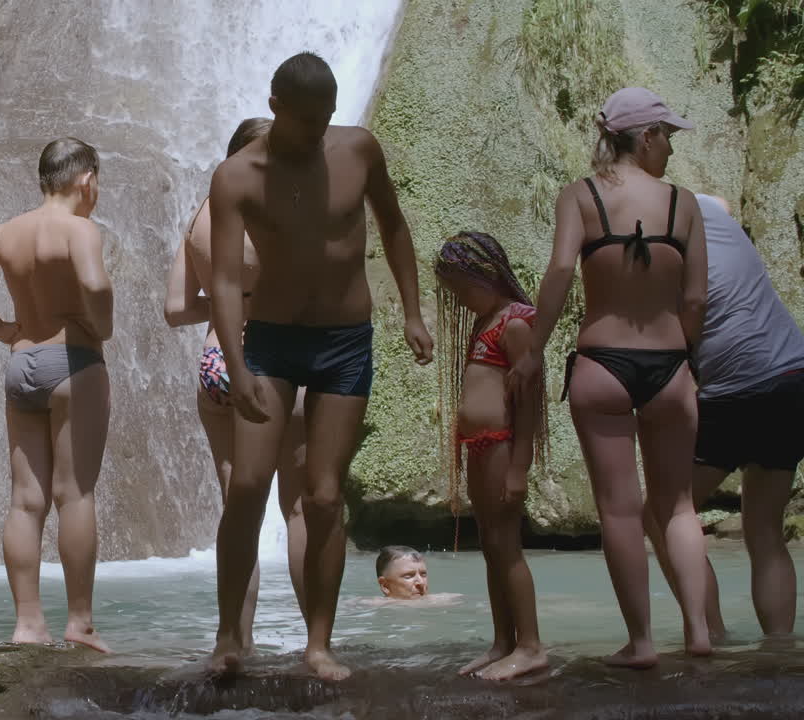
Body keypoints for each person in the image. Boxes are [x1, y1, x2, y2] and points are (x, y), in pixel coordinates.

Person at [206, 52, 434, 681]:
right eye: (306, 119)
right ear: (275, 106)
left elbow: (393, 226)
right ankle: (228, 636)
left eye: (326, 117)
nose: (316, 130)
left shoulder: (358, 150)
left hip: (344, 340)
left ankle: (319, 644)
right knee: (248, 484)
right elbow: (225, 280)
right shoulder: (237, 176)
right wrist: (236, 362)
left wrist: (413, 313)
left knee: (325, 493)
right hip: (272, 341)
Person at [509, 87, 711, 667]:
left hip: (602, 364)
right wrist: (685, 358)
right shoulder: (685, 205)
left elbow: (560, 272)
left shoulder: (581, 196)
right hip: (670, 366)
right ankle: (698, 634)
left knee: (620, 510)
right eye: (667, 135)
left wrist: (534, 350)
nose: (670, 148)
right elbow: (695, 298)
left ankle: (643, 643)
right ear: (645, 136)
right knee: (677, 508)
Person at [0, 137, 112, 653]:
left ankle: (27, 624)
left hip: (22, 365)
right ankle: (80, 623)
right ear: (86, 181)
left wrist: (0, 328)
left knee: (25, 500)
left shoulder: (10, 232)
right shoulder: (80, 229)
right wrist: (99, 325)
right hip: (73, 361)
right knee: (75, 493)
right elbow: (97, 286)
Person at [164, 117, 308, 651]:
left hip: (218, 363)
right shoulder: (281, 210)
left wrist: (227, 303)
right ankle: (316, 646)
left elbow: (175, 308)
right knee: (299, 509)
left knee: (238, 508)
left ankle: (232, 643)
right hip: (275, 358)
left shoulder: (202, 214)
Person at [646, 194, 804, 638]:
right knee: (765, 527)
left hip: (734, 391)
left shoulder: (647, 242)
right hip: (793, 373)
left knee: (663, 514)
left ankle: (711, 634)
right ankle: (778, 653)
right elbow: (720, 201)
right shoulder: (704, 208)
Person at [435, 232, 547, 680]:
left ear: (484, 275)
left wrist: (519, 467)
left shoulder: (515, 324)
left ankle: (532, 645)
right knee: (490, 545)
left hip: (502, 445)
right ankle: (503, 641)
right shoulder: (487, 322)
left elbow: (529, 404)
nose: (459, 302)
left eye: (461, 290)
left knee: (507, 544)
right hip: (481, 447)